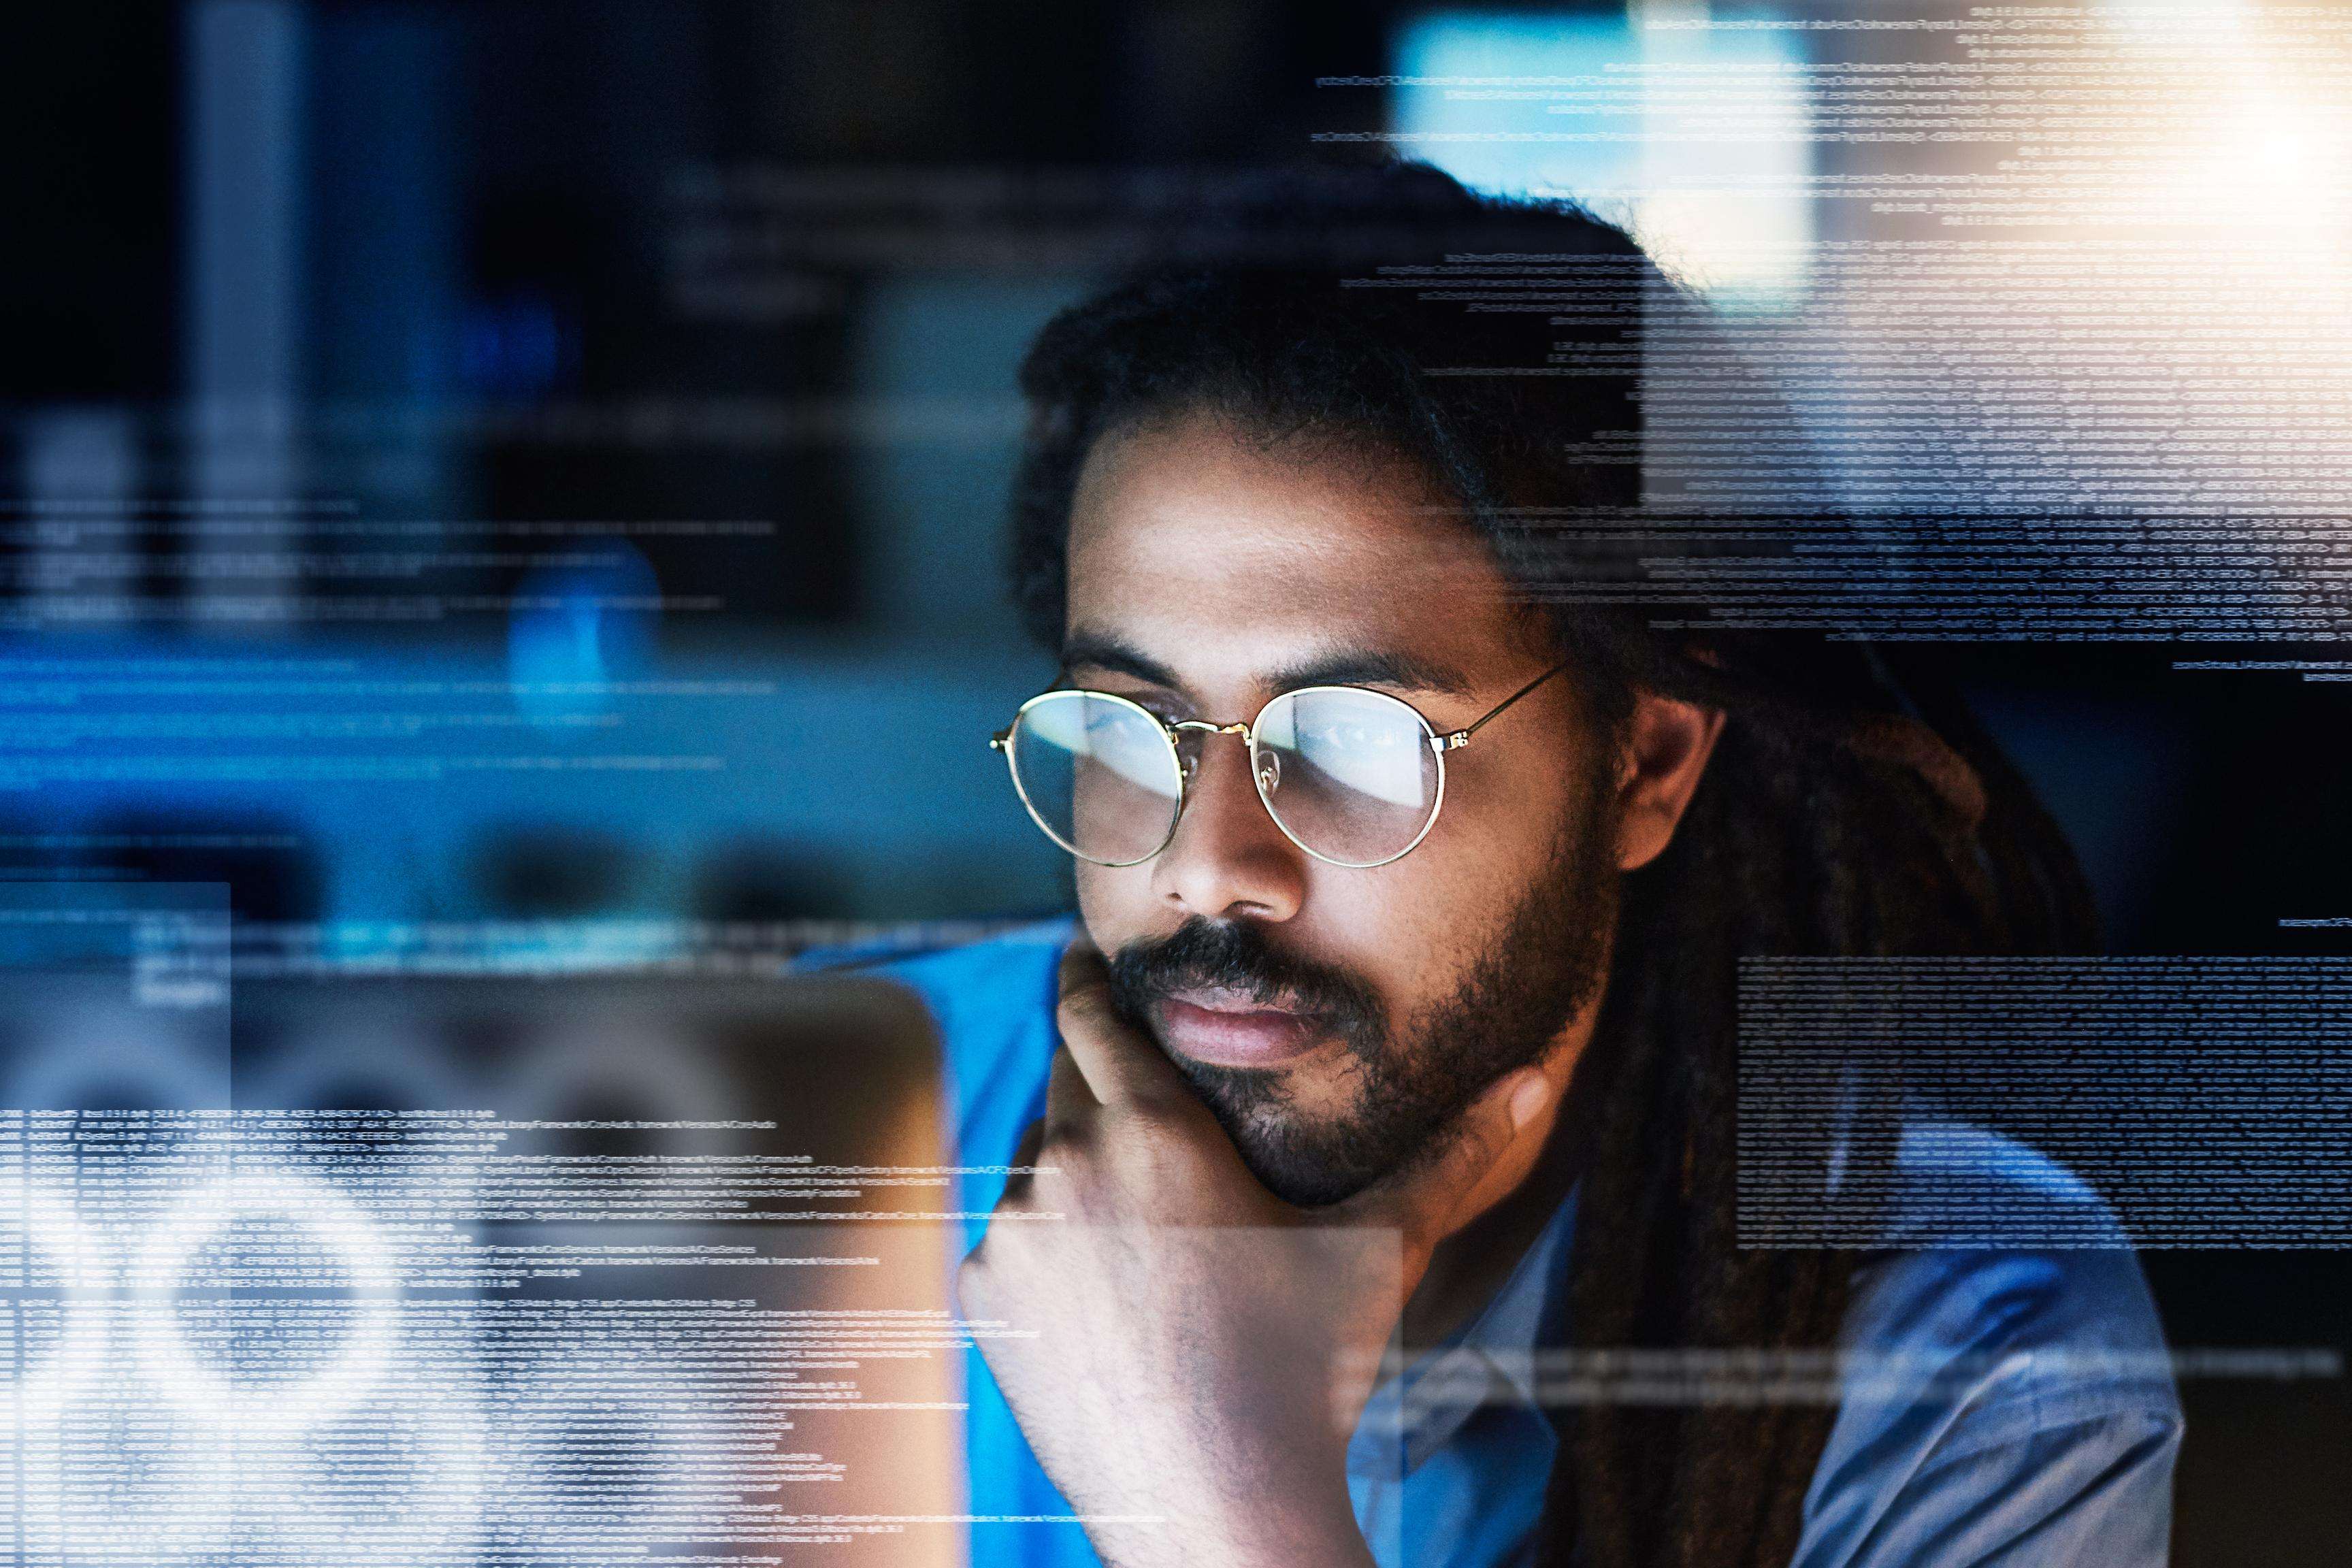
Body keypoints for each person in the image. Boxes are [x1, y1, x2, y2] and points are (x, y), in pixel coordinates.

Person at [816, 164, 2180, 1568]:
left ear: (1643, 765)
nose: (1208, 867)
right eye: (1132, 729)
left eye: (1353, 744)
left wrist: (1216, 1495)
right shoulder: (802, 1131)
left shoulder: (1969, 1366)